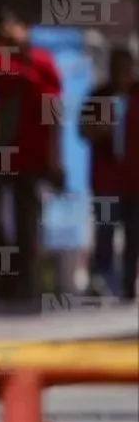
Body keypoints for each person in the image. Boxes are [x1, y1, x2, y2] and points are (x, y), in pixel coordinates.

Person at [0, 4, 65, 307]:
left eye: (17, 26)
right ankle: (5, 269)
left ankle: (24, 280)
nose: (12, 32)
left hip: (31, 153)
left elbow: (54, 111)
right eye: (7, 26)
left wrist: (55, 156)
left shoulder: (43, 62)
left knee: (26, 218)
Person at [81, 47, 137, 300]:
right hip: (106, 180)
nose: (122, 73)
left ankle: (128, 284)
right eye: (117, 67)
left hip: (135, 181)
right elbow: (84, 131)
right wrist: (101, 130)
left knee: (134, 235)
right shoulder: (98, 96)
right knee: (105, 230)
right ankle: (102, 281)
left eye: (126, 67)